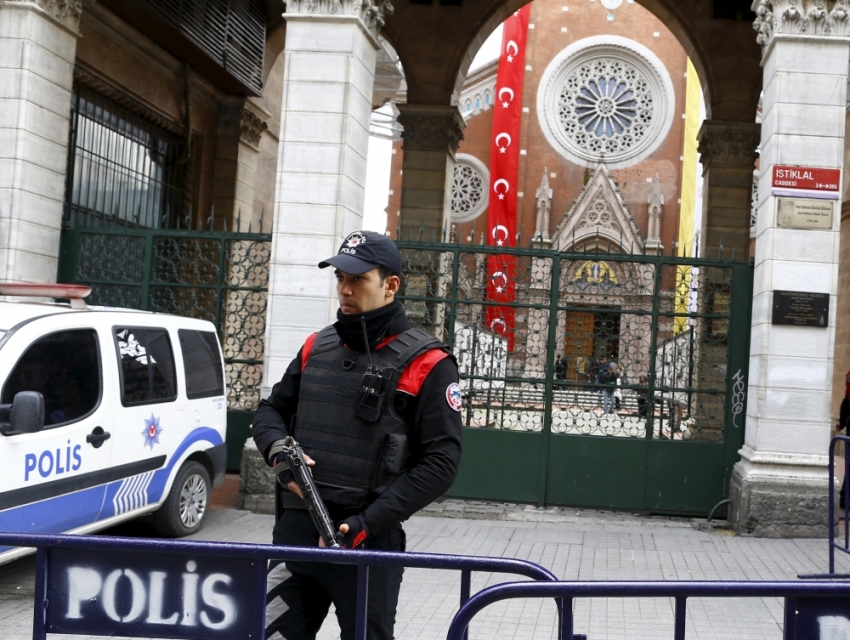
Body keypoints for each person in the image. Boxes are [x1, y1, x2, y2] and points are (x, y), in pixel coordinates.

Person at [252, 230, 463, 640]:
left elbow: (442, 463)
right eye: (339, 278)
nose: (344, 290)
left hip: (367, 539)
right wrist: (280, 453)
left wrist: (368, 521)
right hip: (296, 536)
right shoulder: (317, 346)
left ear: (391, 285)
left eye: (357, 279)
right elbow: (270, 411)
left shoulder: (429, 363)